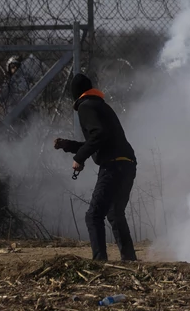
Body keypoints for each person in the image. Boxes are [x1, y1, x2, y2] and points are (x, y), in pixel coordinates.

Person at [54, 73, 138, 262]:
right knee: (115, 213)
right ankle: (129, 260)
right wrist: (69, 146)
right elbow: (99, 140)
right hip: (127, 163)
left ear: (75, 94)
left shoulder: (86, 106)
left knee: (93, 216)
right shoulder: (100, 105)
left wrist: (80, 158)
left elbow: (98, 136)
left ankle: (99, 262)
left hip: (113, 166)